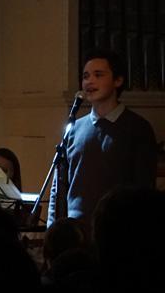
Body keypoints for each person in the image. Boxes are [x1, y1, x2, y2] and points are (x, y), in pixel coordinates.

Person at [48, 47, 157, 228]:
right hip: (76, 230)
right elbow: (59, 187)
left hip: (118, 230)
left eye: (98, 75)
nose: (90, 81)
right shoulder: (74, 128)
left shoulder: (138, 128)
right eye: (86, 76)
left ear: (118, 80)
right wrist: (53, 228)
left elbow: (144, 189)